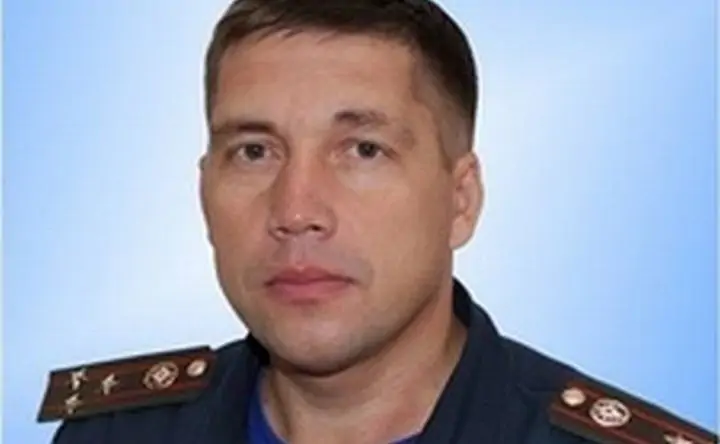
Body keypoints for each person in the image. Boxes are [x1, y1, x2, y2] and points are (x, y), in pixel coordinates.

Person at [37, 1, 717, 443]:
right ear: (203, 191)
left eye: (363, 150)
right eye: (254, 151)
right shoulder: (112, 434)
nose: (296, 211)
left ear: (460, 200)